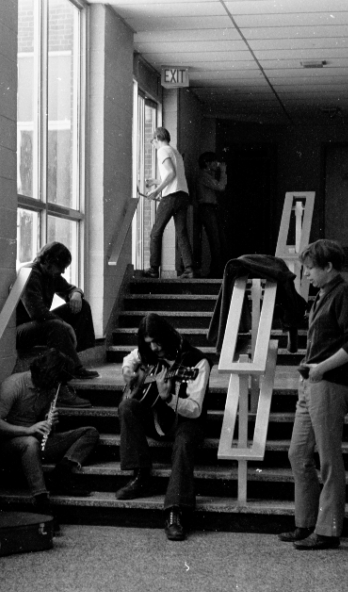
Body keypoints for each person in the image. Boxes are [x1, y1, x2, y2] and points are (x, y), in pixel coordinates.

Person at [279, 239, 348, 550]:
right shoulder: (323, 296)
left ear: (328, 267)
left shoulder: (344, 294)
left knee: (328, 459)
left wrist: (322, 368)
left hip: (330, 384)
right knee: (298, 454)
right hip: (313, 382)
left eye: (310, 269)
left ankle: (328, 530)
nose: (307, 275)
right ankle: (305, 523)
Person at [114, 313, 211, 541]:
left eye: (157, 342)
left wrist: (169, 398)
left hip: (188, 421)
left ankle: (174, 510)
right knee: (127, 406)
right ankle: (140, 476)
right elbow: (131, 358)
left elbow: (196, 409)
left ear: (167, 336)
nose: (154, 348)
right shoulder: (147, 351)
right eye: (148, 343)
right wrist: (129, 371)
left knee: (185, 440)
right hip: (159, 418)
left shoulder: (197, 363)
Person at [0, 349, 99, 514]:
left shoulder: (49, 388)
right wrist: (28, 430)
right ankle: (41, 499)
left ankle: (62, 472)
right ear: (47, 376)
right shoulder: (13, 385)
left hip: (35, 443)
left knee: (90, 432)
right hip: (9, 446)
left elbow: (46, 429)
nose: (57, 387)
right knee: (29, 442)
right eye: (56, 383)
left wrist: (49, 422)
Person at [16, 241, 98, 409]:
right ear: (49, 261)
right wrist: (65, 325)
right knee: (55, 325)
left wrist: (75, 294)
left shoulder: (50, 275)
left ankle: (74, 357)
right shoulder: (30, 273)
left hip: (38, 324)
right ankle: (72, 370)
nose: (63, 271)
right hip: (20, 330)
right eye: (61, 266)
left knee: (82, 306)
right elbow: (36, 312)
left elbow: (70, 288)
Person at [142, 127, 193, 279]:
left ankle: (153, 269)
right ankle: (189, 269)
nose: (154, 146)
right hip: (183, 195)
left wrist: (156, 190)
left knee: (155, 232)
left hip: (171, 196)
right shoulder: (175, 152)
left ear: (157, 139)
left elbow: (170, 173)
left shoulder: (162, 151)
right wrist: (156, 182)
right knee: (182, 233)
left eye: (153, 143)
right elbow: (174, 176)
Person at [195, 152, 228, 278]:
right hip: (206, 208)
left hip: (210, 208)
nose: (217, 164)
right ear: (207, 163)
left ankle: (217, 269)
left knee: (218, 239)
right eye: (214, 162)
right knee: (215, 240)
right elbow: (220, 187)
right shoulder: (203, 175)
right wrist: (223, 172)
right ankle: (216, 271)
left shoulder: (206, 175)